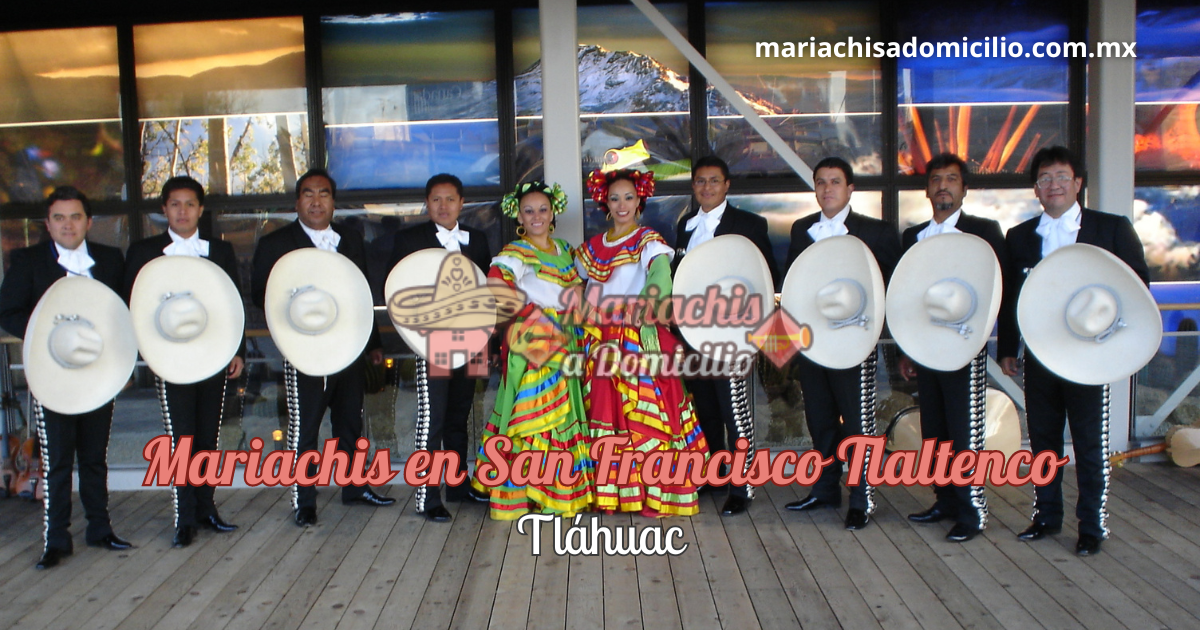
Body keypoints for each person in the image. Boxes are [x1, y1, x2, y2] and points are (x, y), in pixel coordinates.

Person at [998, 146, 1149, 556]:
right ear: (1036, 189)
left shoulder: (1111, 228)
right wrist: (1009, 348)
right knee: (1043, 439)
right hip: (1042, 353)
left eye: (1062, 176)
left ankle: (1091, 526)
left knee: (1088, 442)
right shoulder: (1020, 236)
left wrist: (1120, 345)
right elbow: (1013, 296)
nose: (1054, 185)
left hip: (1089, 356)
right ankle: (1046, 516)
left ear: (1078, 183)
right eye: (1045, 179)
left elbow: (1138, 290)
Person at [251, 168, 395, 526]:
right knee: (305, 425)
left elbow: (362, 296)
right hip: (302, 348)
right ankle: (304, 499)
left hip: (347, 345)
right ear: (297, 202)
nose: (317, 201)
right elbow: (259, 294)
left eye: (324, 194)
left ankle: (355, 486)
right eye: (309, 194)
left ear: (333, 202)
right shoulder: (275, 243)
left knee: (350, 420)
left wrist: (372, 343)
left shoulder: (350, 237)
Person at [0, 186, 132, 569]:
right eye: (59, 217)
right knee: (57, 460)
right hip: (51, 373)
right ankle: (56, 538)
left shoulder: (109, 259)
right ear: (48, 223)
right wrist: (49, 335)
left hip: (98, 372)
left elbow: (121, 313)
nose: (67, 224)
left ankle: (100, 528)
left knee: (94, 457)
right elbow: (7, 311)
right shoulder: (27, 261)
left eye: (75, 216)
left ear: (89, 222)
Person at [575, 168, 708, 516]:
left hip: (636, 336)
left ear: (640, 202)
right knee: (606, 412)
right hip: (600, 341)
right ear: (605, 202)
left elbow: (660, 276)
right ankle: (613, 494)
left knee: (644, 414)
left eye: (628, 198)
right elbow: (575, 287)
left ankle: (654, 492)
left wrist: (649, 305)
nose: (621, 205)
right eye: (614, 198)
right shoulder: (590, 249)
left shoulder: (648, 241)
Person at [123, 176, 245, 547]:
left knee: (208, 436)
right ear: (164, 209)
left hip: (212, 355)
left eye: (189, 204)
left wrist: (236, 350)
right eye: (175, 204)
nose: (182, 211)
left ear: (200, 209)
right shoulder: (144, 252)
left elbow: (232, 304)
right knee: (181, 439)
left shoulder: (219, 251)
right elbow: (134, 306)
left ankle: (207, 507)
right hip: (169, 356)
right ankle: (184, 517)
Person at [783, 157, 900, 530]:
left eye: (835, 182)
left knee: (857, 421)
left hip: (855, 340)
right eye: (821, 182)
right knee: (819, 418)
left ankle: (862, 496)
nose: (827, 188)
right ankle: (825, 487)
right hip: (813, 339)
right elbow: (792, 285)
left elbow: (889, 289)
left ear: (850, 189)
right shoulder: (802, 229)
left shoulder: (877, 231)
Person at [898, 153, 1008, 543]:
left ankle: (971, 510)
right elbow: (906, 299)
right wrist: (905, 350)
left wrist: (1006, 345)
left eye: (951, 179)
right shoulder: (912, 236)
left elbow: (1000, 292)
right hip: (926, 347)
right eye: (936, 179)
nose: (943, 185)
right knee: (935, 430)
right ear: (927, 189)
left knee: (965, 431)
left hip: (965, 347)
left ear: (964, 189)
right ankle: (944, 499)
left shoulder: (984, 231)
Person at [469, 181, 594, 520]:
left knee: (562, 413)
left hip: (567, 338)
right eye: (529, 210)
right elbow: (495, 284)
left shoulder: (567, 250)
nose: (537, 216)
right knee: (533, 415)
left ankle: (557, 493)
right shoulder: (515, 252)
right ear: (519, 217)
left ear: (553, 212)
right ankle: (528, 494)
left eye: (542, 209)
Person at [672, 155, 779, 515]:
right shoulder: (684, 225)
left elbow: (766, 279)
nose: (706, 187)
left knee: (735, 410)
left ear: (727, 184)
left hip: (733, 332)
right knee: (705, 408)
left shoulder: (749, 224)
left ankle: (742, 485)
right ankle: (715, 475)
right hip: (693, 331)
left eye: (714, 181)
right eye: (700, 181)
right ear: (693, 186)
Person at [388, 174, 493, 522]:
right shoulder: (409, 239)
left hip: (474, 340)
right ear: (427, 203)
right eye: (436, 200)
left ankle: (457, 485)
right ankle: (427, 496)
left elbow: (487, 294)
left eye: (450, 199)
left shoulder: (477, 239)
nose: (444, 206)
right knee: (432, 418)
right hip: (431, 340)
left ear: (462, 203)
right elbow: (397, 291)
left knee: (460, 414)